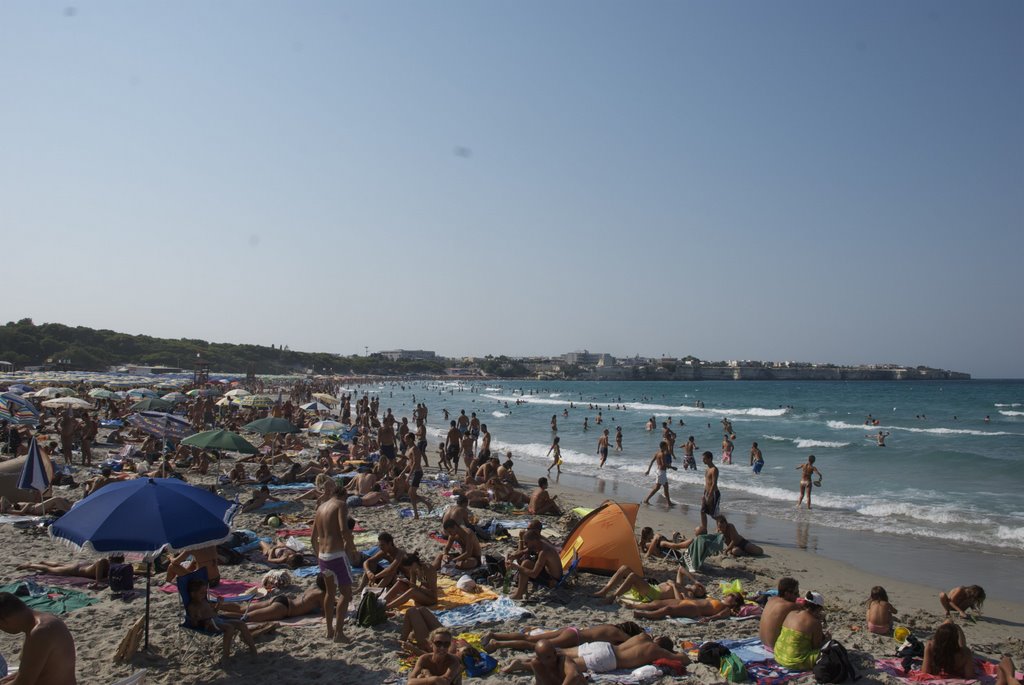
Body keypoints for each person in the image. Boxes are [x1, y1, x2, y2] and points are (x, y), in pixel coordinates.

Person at [0, 591, 78, 684]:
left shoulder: (40, 632)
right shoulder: (42, 622)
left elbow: (24, 682)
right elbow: (30, 671)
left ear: (4, 620)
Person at [311, 488, 355, 643]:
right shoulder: (341, 505)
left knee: (330, 593)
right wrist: (352, 548)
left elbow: (313, 538)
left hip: (323, 556)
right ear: (344, 495)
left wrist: (318, 556)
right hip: (336, 554)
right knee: (346, 593)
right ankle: (339, 633)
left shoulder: (321, 507)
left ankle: (329, 630)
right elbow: (344, 530)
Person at [185, 577, 258, 660]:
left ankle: (253, 649)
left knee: (241, 623)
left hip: (217, 619)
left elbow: (214, 612)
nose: (204, 595)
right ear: (193, 594)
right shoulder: (193, 606)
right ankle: (225, 657)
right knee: (229, 628)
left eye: (205, 592)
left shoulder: (204, 601)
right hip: (209, 625)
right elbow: (194, 624)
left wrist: (218, 605)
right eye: (201, 593)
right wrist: (197, 618)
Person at [561, 633, 688, 674]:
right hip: (609, 659)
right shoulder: (656, 651)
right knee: (563, 666)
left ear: (657, 639)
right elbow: (684, 658)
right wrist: (673, 652)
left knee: (559, 653)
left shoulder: (643, 636)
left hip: (604, 646)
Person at [218, 573, 326, 622]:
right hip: (284, 609)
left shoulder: (313, 588)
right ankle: (216, 617)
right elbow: (326, 612)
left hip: (281, 599)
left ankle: (217, 605)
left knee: (242, 609)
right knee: (246, 617)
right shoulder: (322, 595)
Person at [483, 621, 645, 652]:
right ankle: (498, 644)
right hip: (574, 638)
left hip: (571, 630)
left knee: (530, 638)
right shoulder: (617, 634)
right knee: (535, 646)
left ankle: (495, 634)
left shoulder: (610, 627)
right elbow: (634, 642)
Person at [592, 565, 704, 604]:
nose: (699, 587)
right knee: (624, 568)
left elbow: (680, 602)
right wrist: (694, 580)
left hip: (653, 595)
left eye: (700, 589)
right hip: (651, 588)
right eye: (700, 585)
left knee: (632, 576)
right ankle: (604, 591)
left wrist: (673, 586)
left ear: (698, 594)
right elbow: (681, 569)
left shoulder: (688, 594)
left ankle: (612, 597)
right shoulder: (682, 585)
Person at [774, 592, 828, 670]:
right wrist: (827, 640)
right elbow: (816, 647)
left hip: (778, 655)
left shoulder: (791, 613)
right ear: (819, 609)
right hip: (795, 663)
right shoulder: (815, 623)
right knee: (827, 652)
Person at [508, 530, 562, 600]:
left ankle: (519, 594)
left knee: (525, 565)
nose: (525, 545)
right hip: (548, 573)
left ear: (534, 540)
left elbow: (534, 574)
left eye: (526, 543)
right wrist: (513, 556)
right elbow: (524, 551)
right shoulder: (540, 543)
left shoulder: (544, 552)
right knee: (526, 562)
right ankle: (522, 591)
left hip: (553, 581)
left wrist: (515, 566)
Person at [17, 555, 119, 589]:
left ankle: (44, 562)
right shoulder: (103, 562)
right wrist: (100, 581)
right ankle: (29, 565)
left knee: (59, 565)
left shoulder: (109, 565)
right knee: (50, 570)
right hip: (76, 570)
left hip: (81, 567)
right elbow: (98, 580)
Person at [627, 593, 743, 621]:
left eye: (732, 596)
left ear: (734, 603)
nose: (729, 595)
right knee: (658, 603)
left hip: (694, 610)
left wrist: (708, 619)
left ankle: (643, 614)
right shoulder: (717, 599)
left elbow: (719, 616)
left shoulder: (726, 609)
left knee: (668, 610)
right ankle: (633, 605)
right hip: (686, 602)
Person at [759, 577, 801, 649]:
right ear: (787, 594)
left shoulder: (771, 599)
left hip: (764, 643)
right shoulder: (791, 606)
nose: (798, 596)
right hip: (775, 647)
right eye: (796, 593)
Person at [521, 640, 586, 685]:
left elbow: (574, 676)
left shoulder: (563, 660)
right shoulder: (536, 664)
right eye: (548, 657)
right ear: (539, 659)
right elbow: (539, 682)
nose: (554, 658)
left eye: (554, 653)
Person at [642, 442, 672, 506]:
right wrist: (672, 467)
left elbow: (652, 461)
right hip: (661, 473)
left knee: (666, 487)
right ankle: (646, 500)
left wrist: (648, 470)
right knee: (657, 488)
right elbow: (664, 464)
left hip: (660, 472)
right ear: (663, 446)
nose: (667, 447)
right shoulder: (662, 454)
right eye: (666, 446)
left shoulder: (657, 453)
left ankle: (669, 503)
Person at [699, 451, 719, 531]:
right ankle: (704, 529)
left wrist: (710, 495)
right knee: (702, 512)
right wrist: (704, 494)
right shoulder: (707, 469)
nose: (703, 460)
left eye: (704, 459)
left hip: (713, 493)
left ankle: (722, 528)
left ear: (709, 459)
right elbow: (707, 482)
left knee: (714, 515)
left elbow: (714, 483)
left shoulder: (714, 470)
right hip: (707, 493)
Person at [0, 496, 73, 516]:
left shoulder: (11, 505)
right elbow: (21, 512)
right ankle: (67, 514)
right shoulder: (9, 510)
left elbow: (3, 497)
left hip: (36, 506)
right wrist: (28, 504)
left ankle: (71, 510)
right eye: (5, 503)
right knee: (56, 499)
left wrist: (2, 504)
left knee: (59, 499)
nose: (6, 502)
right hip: (34, 509)